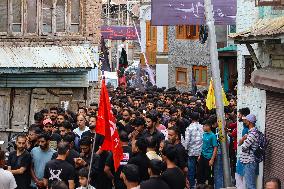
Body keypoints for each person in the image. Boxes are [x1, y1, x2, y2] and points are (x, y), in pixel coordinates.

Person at [182, 112, 203, 189]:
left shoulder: (189, 128)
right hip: (200, 152)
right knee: (200, 170)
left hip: (191, 152)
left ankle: (192, 186)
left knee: (191, 170)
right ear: (198, 118)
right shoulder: (202, 127)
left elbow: (187, 141)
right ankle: (200, 185)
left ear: (190, 118)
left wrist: (185, 149)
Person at [239, 114, 259, 189]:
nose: (245, 121)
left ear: (249, 122)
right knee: (248, 184)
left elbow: (243, 147)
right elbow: (239, 144)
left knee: (250, 185)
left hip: (249, 161)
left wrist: (243, 140)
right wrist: (243, 140)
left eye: (246, 120)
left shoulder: (252, 134)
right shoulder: (251, 132)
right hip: (248, 161)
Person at [197, 120, 218, 186]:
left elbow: (215, 148)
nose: (203, 127)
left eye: (205, 126)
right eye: (203, 126)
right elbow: (203, 145)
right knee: (200, 172)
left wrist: (212, 159)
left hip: (209, 157)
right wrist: (200, 155)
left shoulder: (213, 136)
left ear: (209, 126)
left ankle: (210, 186)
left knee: (209, 174)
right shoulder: (204, 134)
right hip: (203, 155)